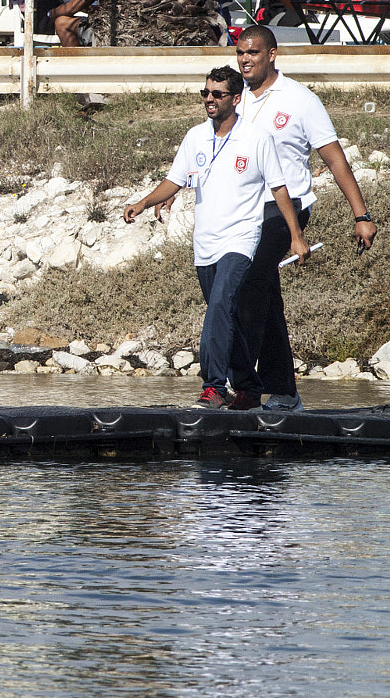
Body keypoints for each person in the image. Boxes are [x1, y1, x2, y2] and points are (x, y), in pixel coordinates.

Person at [124, 66, 310, 409]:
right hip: (205, 243)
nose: (210, 99)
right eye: (206, 93)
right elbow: (174, 180)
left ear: (235, 99)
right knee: (227, 315)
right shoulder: (195, 136)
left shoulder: (256, 138)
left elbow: (280, 189)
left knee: (220, 308)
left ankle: (213, 387)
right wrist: (143, 201)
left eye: (218, 94)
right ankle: (249, 391)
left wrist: (295, 237)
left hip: (240, 240)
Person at [231, 26, 376, 411]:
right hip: (242, 211)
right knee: (266, 295)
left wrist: (361, 215)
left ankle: (245, 390)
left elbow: (333, 158)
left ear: (272, 54)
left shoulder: (299, 99)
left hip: (286, 209)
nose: (245, 59)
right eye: (240, 52)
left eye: (254, 53)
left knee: (248, 287)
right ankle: (284, 391)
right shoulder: (235, 99)